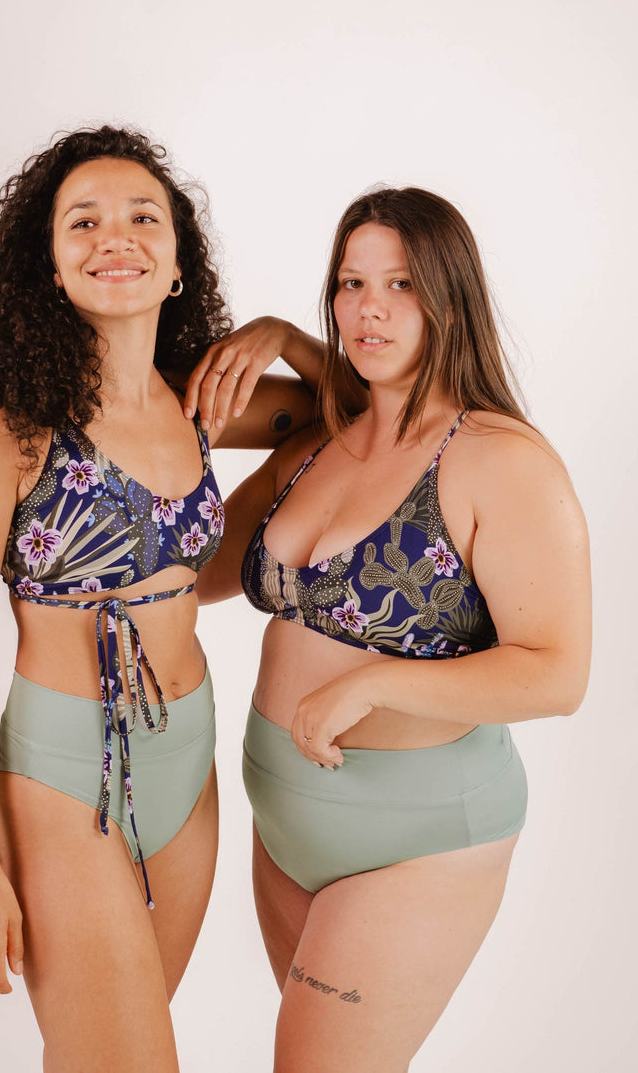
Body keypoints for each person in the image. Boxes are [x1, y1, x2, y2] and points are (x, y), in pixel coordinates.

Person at [0, 124, 324, 1072]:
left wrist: (284, 336)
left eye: (145, 217)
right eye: (85, 221)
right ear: (50, 264)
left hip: (187, 764)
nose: (117, 237)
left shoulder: (202, 401)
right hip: (61, 774)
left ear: (178, 260)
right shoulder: (3, 423)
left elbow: (355, 407)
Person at [197, 186, 591, 1072]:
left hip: (418, 838)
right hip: (285, 822)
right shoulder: (320, 436)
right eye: (349, 282)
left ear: (450, 295)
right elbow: (202, 572)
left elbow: (559, 672)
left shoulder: (499, 458)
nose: (368, 307)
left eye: (402, 283)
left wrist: (373, 681)